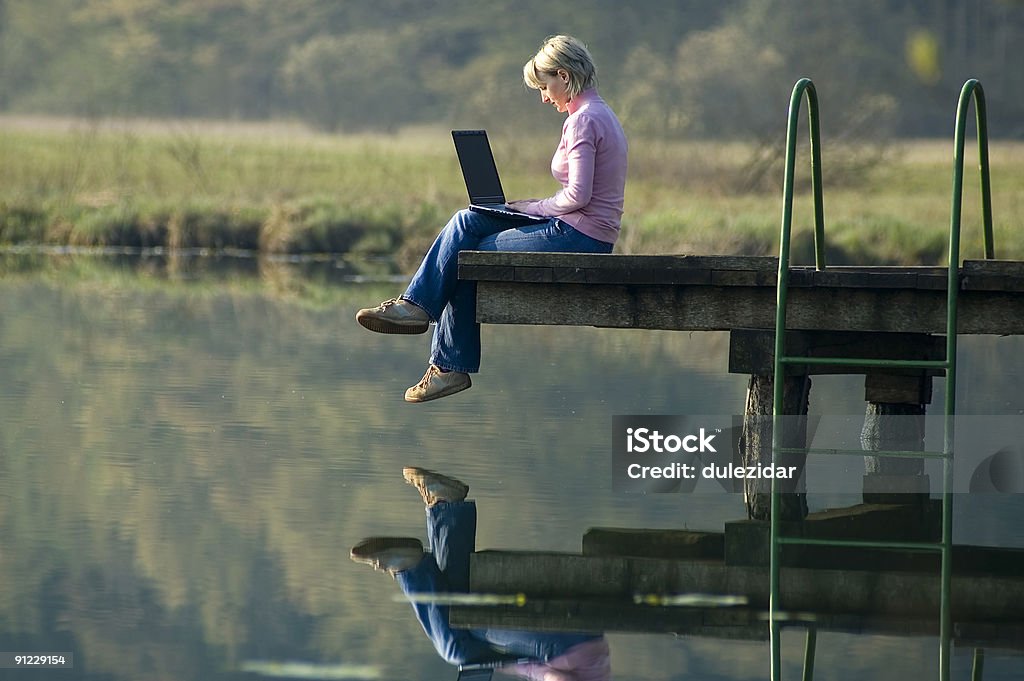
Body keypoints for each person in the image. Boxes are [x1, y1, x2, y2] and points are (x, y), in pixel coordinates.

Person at [355, 35, 628, 402]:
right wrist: (525, 206)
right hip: (583, 230)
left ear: (564, 76)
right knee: (467, 227)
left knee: (466, 246)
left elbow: (578, 197)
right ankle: (435, 346)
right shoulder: (600, 114)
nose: (544, 97)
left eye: (544, 86)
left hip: (580, 236)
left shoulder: (583, 120)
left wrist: (530, 208)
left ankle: (433, 338)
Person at [351, 467, 612, 681]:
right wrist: (521, 668)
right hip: (564, 642)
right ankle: (410, 564)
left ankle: (444, 507)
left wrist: (503, 666)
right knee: (456, 635)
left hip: (565, 640)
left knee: (459, 644)